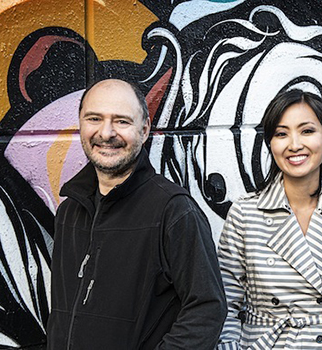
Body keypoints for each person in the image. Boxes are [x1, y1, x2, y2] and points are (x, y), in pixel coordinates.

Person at [47, 79, 226, 349]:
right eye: (94, 118)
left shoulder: (174, 211)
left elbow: (207, 308)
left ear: (144, 131)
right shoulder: (70, 210)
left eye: (121, 121)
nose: (106, 133)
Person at [217, 90, 322, 349]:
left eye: (307, 131)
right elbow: (224, 302)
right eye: (281, 134)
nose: (294, 144)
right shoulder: (245, 213)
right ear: (270, 143)